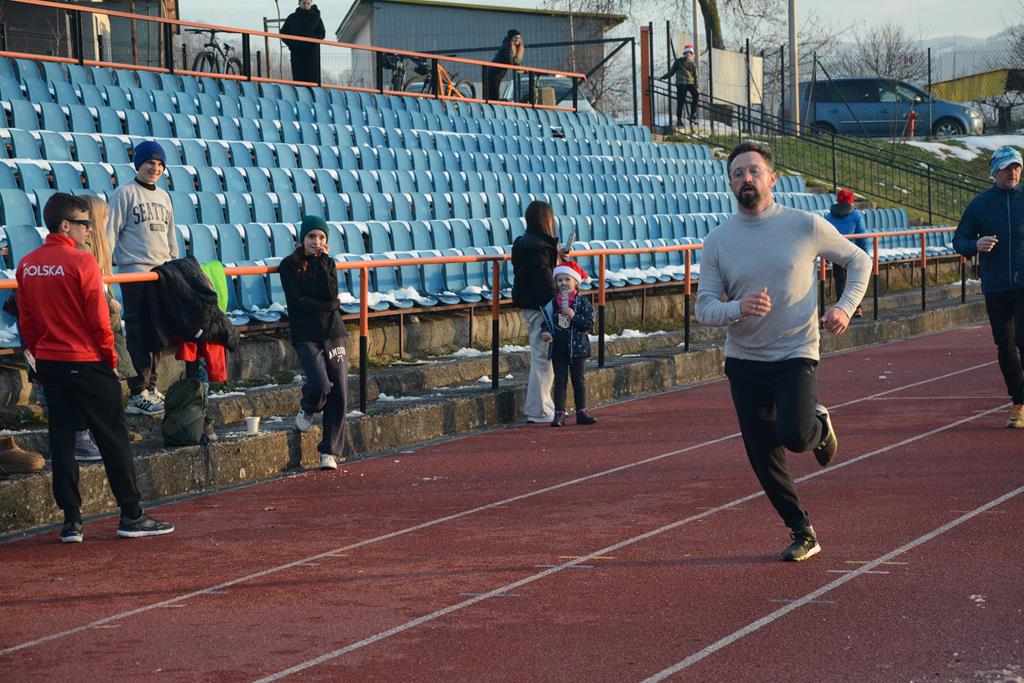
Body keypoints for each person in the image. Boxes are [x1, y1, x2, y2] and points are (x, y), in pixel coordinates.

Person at [695, 141, 871, 562]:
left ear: (772, 179)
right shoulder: (718, 241)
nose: (746, 178)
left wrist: (845, 307)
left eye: (754, 171)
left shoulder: (804, 225)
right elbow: (704, 308)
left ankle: (817, 424)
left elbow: (859, 260)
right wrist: (738, 308)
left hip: (795, 351)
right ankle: (802, 530)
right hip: (744, 360)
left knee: (794, 435)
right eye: (737, 173)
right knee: (763, 456)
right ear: (730, 184)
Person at [16, 193, 174, 542]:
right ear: (65, 225)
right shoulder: (82, 261)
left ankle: (71, 522)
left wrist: (41, 355)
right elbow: (98, 319)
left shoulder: (27, 265)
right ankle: (131, 514)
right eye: (84, 223)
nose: (89, 229)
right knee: (113, 439)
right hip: (87, 361)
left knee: (62, 441)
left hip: (52, 363)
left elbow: (27, 322)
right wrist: (109, 359)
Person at [953, 145, 1024, 429]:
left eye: (1017, 167)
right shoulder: (980, 204)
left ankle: (1021, 401)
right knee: (1005, 346)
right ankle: (1019, 401)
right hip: (996, 286)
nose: (1012, 173)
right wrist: (976, 244)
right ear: (995, 171)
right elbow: (959, 240)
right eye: (1007, 168)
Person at [107, 139, 177, 417]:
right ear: (139, 163)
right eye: (150, 162)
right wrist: (106, 273)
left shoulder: (164, 197)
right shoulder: (124, 193)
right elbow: (110, 233)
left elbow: (171, 236)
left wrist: (173, 266)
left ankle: (151, 386)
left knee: (157, 332)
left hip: (160, 273)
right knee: (137, 332)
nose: (155, 168)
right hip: (134, 272)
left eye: (160, 164)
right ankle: (138, 392)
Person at [278, 216, 349, 470]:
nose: (316, 242)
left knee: (339, 391)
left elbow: (331, 294)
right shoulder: (288, 265)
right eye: (311, 237)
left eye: (321, 237)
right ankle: (309, 406)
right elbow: (297, 302)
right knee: (321, 384)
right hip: (306, 333)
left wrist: (322, 262)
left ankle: (329, 451)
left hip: (334, 331)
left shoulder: (328, 263)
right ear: (302, 239)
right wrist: (329, 305)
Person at [72, 195, 137, 462]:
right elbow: (91, 290)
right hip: (98, 330)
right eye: (104, 218)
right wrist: (108, 301)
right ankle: (91, 436)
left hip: (106, 326)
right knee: (98, 388)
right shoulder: (83, 251)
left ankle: (102, 433)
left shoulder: (94, 250)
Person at [512, 200, 562, 423]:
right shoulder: (539, 248)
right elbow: (544, 281)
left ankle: (540, 406)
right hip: (541, 306)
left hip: (532, 304)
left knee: (542, 357)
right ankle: (539, 409)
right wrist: (558, 303)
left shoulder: (527, 243)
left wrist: (558, 256)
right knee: (543, 358)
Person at [539, 261, 597, 427]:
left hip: (578, 348)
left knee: (578, 381)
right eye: (559, 280)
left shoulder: (582, 303)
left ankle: (581, 412)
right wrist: (546, 333)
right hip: (559, 348)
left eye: (567, 279)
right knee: (560, 381)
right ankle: (559, 413)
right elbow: (547, 323)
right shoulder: (552, 304)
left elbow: (588, 324)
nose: (563, 283)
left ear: (576, 282)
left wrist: (573, 316)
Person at [824, 188, 869, 318]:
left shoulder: (829, 216)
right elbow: (862, 236)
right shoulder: (856, 215)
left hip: (836, 253)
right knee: (854, 282)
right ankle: (857, 308)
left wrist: (826, 256)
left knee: (840, 281)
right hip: (852, 253)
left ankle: (841, 309)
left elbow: (824, 236)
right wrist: (866, 255)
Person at [281, 0, 326, 85]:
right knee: (299, 80)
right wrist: (291, 43)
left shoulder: (316, 18)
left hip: (312, 54)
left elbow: (322, 34)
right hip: (296, 53)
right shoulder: (292, 17)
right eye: (304, 3)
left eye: (308, 3)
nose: (306, 5)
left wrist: (312, 39)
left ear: (311, 3)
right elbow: (283, 33)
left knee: (312, 81)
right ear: (299, 3)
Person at [662, 44, 699, 126]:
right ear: (684, 53)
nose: (688, 54)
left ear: (691, 54)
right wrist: (663, 77)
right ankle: (679, 119)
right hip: (681, 83)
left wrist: (697, 87)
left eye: (689, 53)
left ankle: (692, 114)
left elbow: (695, 76)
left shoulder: (692, 63)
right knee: (681, 101)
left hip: (690, 83)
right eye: (686, 53)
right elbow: (671, 72)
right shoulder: (678, 62)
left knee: (696, 94)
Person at [486, 29, 525, 101]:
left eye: (519, 38)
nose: (517, 39)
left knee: (494, 92)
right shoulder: (508, 46)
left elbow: (514, 61)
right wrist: (518, 67)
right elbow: (509, 61)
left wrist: (519, 68)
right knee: (494, 93)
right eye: (515, 37)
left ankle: (493, 104)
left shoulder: (513, 47)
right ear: (511, 38)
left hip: (498, 73)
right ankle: (493, 105)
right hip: (494, 72)